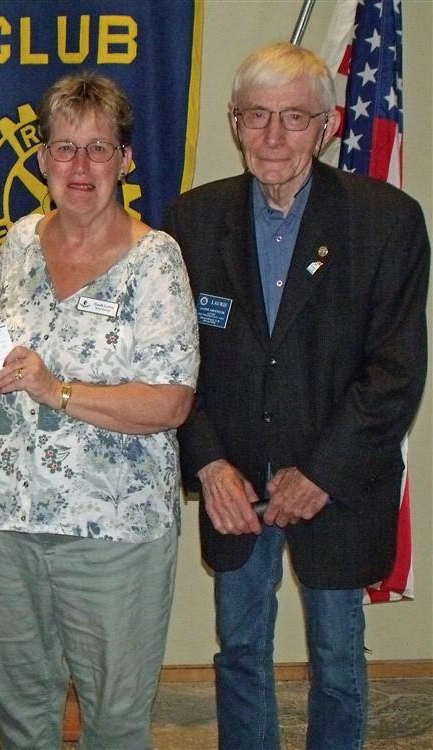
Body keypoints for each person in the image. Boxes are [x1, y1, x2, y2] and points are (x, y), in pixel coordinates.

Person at [162, 42, 430, 750]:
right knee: (239, 653)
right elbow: (173, 364)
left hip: (336, 484)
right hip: (234, 484)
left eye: (294, 117)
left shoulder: (386, 221)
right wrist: (209, 464)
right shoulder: (192, 222)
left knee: (337, 663)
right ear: (235, 122)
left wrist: (321, 474)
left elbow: (395, 372)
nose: (274, 136)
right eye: (257, 116)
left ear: (327, 126)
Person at [0, 72, 200, 749]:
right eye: (65, 148)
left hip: (113, 534)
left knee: (114, 720)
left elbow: (172, 401)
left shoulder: (155, 260)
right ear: (42, 159)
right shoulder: (19, 242)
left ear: (125, 161)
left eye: (98, 148)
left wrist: (58, 391)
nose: (80, 166)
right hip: (12, 522)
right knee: (20, 709)